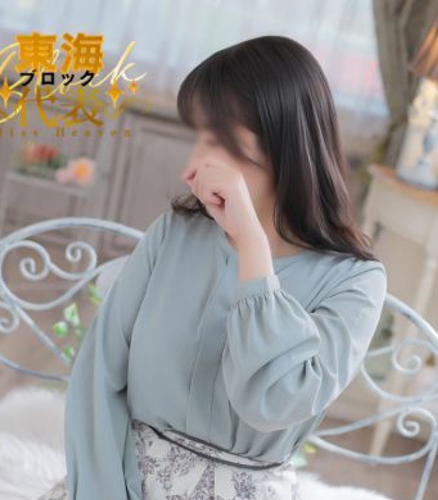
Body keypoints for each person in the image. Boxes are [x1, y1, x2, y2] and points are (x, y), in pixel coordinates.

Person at [37, 34, 387, 500]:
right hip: (116, 485)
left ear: (281, 144)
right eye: (198, 137)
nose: (196, 161)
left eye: (218, 139)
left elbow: (273, 401)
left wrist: (252, 247)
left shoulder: (356, 283)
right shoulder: (176, 233)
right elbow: (98, 374)